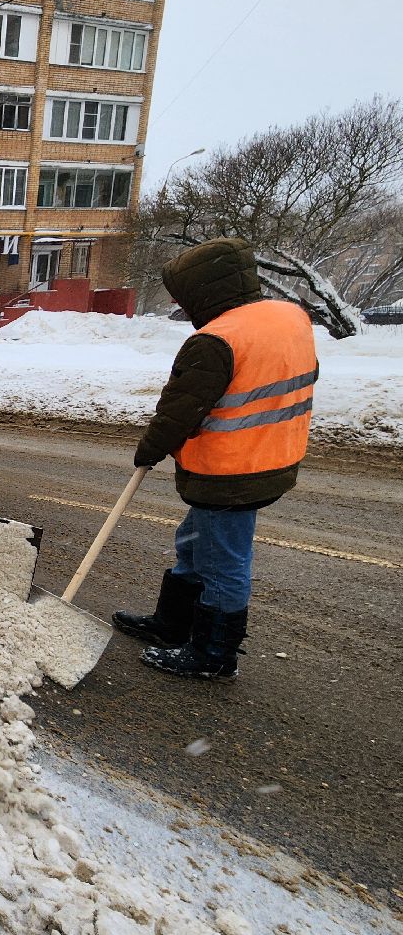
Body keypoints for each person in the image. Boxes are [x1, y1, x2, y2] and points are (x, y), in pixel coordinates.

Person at [113, 238, 318, 680]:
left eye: (182, 293)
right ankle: (173, 625)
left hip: (230, 470)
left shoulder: (216, 340)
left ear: (205, 289)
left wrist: (150, 449)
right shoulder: (288, 318)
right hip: (273, 457)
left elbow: (179, 410)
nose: (176, 302)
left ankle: (213, 654)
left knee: (224, 562)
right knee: (196, 542)